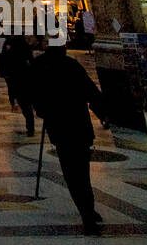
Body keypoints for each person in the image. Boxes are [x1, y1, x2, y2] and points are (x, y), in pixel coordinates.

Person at [30, 30, 109, 234]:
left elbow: (34, 94)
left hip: (59, 126)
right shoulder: (72, 65)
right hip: (79, 123)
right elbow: (91, 91)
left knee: (71, 172)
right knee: (82, 170)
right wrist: (103, 114)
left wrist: (42, 111)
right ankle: (88, 209)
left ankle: (86, 210)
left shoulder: (39, 66)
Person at [1, 30, 35, 135]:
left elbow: (4, 58)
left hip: (19, 76)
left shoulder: (15, 45)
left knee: (24, 103)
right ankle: (30, 126)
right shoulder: (14, 44)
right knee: (24, 103)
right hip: (19, 76)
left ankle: (30, 127)